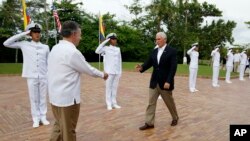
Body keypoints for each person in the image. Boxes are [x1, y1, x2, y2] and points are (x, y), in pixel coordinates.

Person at [48, 21, 108, 141]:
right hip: (68, 99)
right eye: (80, 34)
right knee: (69, 131)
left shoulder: (55, 48)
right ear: (74, 34)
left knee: (59, 127)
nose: (80, 37)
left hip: (55, 97)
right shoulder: (72, 52)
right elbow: (88, 69)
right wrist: (102, 74)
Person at [3, 23, 50, 128]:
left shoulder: (45, 47)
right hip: (31, 75)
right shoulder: (24, 44)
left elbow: (49, 62)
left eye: (38, 32)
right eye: (34, 32)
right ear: (30, 34)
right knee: (34, 98)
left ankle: (43, 116)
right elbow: (6, 43)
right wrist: (23, 34)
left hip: (43, 75)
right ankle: (36, 119)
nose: (37, 34)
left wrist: (48, 75)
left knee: (43, 97)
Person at [135, 32, 179, 130]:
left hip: (165, 83)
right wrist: (141, 67)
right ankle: (149, 123)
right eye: (156, 39)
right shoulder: (154, 51)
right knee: (151, 103)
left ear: (165, 39)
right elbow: (149, 62)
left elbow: (173, 68)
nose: (157, 41)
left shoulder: (172, 51)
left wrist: (168, 81)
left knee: (169, 102)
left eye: (159, 39)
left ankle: (175, 117)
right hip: (154, 81)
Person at [95, 33, 122, 110]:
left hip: (116, 72)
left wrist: (120, 72)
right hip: (109, 72)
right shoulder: (105, 48)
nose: (115, 40)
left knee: (115, 88)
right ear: (109, 40)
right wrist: (105, 41)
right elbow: (97, 51)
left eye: (115, 39)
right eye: (113, 39)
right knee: (108, 88)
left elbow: (119, 60)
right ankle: (109, 103)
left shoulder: (118, 49)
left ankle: (114, 103)